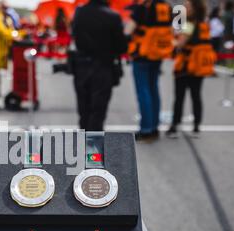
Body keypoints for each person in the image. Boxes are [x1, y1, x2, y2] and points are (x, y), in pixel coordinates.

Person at [71, 0, 128, 131]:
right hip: (103, 66)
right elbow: (121, 46)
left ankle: (84, 143)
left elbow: (75, 35)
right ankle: (94, 147)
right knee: (98, 111)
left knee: (83, 110)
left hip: (81, 65)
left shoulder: (80, 12)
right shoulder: (113, 16)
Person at [167, 0, 215, 138]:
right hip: (199, 67)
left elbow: (180, 43)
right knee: (196, 96)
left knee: (179, 97)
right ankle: (196, 126)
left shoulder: (188, 24)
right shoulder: (204, 23)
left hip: (185, 66)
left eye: (187, 6)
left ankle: (174, 126)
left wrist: (171, 38)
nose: (184, 8)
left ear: (194, 8)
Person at [126, 0, 173, 141]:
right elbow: (176, 29)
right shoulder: (167, 8)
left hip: (142, 55)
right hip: (159, 53)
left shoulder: (142, 8)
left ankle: (145, 129)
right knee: (153, 90)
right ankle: (154, 127)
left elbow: (128, 30)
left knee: (143, 91)